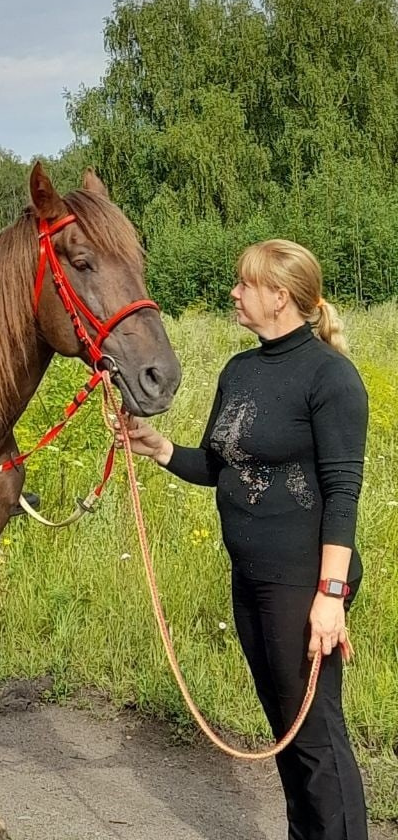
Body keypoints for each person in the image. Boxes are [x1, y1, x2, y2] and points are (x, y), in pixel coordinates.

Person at [127, 239, 368, 840]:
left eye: (244, 284)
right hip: (252, 577)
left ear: (280, 296)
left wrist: (330, 597)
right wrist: (159, 449)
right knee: (284, 729)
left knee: (314, 737)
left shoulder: (331, 377)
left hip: (305, 583)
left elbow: (343, 494)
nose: (234, 293)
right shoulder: (239, 371)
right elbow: (218, 466)